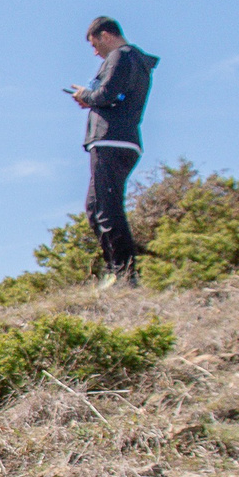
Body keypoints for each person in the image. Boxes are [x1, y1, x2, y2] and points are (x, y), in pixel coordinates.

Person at [67, 16, 155, 288]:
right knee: (96, 207)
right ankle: (117, 270)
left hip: (111, 140)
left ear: (105, 35)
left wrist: (87, 96)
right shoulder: (135, 61)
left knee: (107, 208)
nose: (95, 52)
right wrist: (93, 100)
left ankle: (125, 274)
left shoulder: (122, 57)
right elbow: (115, 96)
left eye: (95, 45)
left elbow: (106, 94)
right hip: (119, 140)